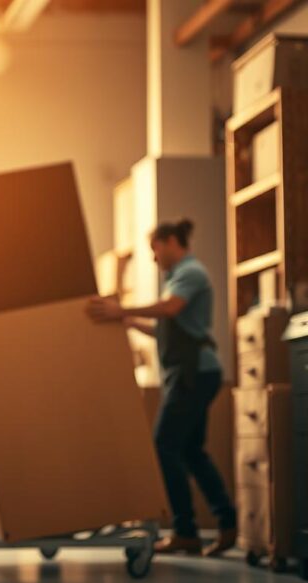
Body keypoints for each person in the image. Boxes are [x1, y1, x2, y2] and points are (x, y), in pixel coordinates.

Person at [87, 218, 236, 557]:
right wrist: (129, 322)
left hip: (195, 374)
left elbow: (170, 309)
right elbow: (167, 329)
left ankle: (186, 531)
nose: (154, 259)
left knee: (164, 445)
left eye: (155, 250)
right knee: (191, 451)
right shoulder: (177, 277)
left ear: (170, 242)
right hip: (188, 374)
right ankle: (226, 522)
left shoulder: (190, 273)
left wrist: (120, 308)